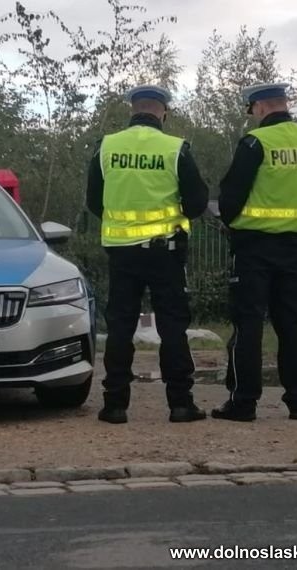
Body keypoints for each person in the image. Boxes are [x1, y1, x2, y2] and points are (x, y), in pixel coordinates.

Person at [86, 84, 209, 424]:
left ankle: (114, 405)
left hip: (122, 253)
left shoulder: (106, 147)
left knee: (120, 326)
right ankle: (181, 404)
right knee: (172, 326)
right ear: (163, 111)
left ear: (133, 109)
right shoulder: (175, 149)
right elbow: (198, 202)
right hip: (165, 252)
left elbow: (94, 201)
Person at [213, 82, 297, 422]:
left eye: (253, 110)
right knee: (290, 323)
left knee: (248, 324)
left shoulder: (255, 142)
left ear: (259, 107)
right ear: (283, 104)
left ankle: (244, 401)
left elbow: (231, 193)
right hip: (293, 246)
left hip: (253, 247)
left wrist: (228, 222)